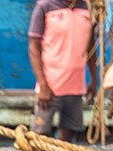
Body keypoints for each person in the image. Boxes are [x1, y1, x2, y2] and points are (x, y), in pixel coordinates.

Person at [28, 0, 93, 143]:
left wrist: (94, 80)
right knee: (40, 134)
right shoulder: (45, 6)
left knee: (70, 134)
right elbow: (34, 48)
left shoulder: (87, 8)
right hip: (50, 87)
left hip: (76, 88)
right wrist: (43, 86)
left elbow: (91, 48)